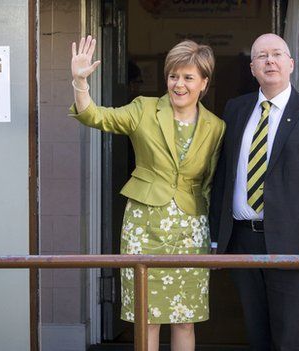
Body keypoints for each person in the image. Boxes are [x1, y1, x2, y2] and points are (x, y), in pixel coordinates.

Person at [69, 36, 225, 351]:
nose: (178, 84)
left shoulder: (216, 126)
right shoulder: (144, 108)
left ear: (204, 83)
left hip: (191, 230)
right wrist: (79, 82)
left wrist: (215, 240)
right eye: (173, 76)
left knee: (185, 317)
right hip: (144, 227)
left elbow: (210, 183)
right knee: (148, 316)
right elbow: (95, 116)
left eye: (188, 77)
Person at [209, 33, 299, 351]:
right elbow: (223, 177)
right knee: (257, 336)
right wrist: (216, 238)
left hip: (294, 245)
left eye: (277, 54)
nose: (270, 61)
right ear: (252, 68)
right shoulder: (235, 109)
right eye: (261, 56)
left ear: (291, 64)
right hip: (243, 240)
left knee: (290, 339)